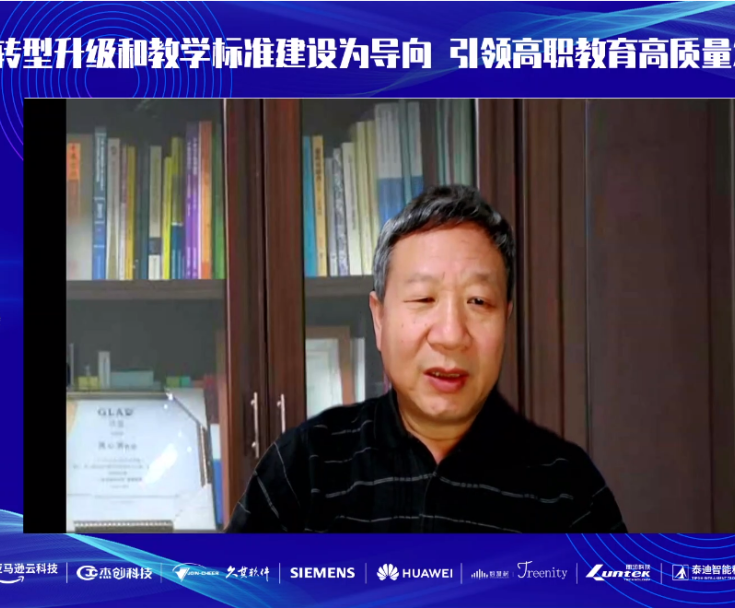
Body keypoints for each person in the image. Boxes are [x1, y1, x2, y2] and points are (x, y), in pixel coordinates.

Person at [226, 185, 626, 533]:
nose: (451, 335)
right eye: (423, 298)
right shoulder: (303, 467)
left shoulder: (569, 489)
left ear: (505, 319)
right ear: (379, 318)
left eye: (478, 301)